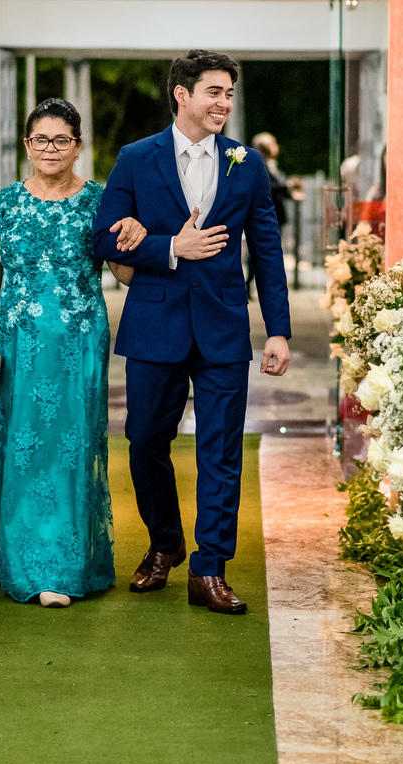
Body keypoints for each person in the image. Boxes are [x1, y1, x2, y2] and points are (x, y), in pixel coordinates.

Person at [91, 49, 292, 615]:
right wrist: (169, 247)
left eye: (229, 93)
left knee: (221, 450)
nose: (223, 103)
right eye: (213, 91)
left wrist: (277, 329)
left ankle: (209, 568)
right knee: (145, 441)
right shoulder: (136, 158)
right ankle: (164, 543)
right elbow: (102, 239)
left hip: (225, 326)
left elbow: (268, 251)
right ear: (181, 94)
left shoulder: (246, 164)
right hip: (155, 322)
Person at [0, 98, 140, 608]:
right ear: (26, 145)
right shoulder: (5, 204)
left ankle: (60, 566)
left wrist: (133, 240)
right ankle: (16, 557)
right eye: (40, 139)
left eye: (61, 139)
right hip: (16, 342)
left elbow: (124, 277)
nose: (50, 148)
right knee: (18, 447)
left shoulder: (100, 202)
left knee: (69, 449)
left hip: (77, 343)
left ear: (78, 147)